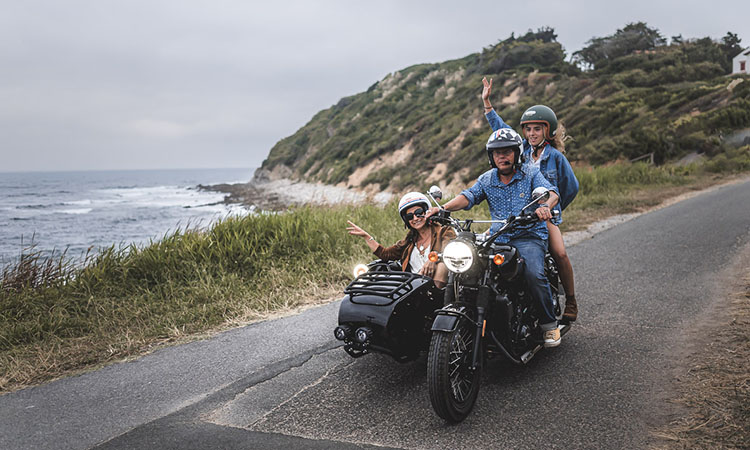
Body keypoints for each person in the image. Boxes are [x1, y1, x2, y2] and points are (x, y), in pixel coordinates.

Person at [427, 128, 563, 347]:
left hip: (527, 236)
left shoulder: (530, 174)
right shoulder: (487, 179)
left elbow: (551, 192)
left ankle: (549, 324)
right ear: (491, 156)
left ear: (516, 153)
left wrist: (544, 206)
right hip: (497, 237)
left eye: (507, 151)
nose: (502, 156)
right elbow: (468, 196)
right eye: (497, 152)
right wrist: (444, 208)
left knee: (534, 275)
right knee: (468, 267)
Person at [481, 77, 580, 324]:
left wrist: (551, 208)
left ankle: (570, 299)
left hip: (543, 216)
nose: (532, 133)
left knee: (559, 253)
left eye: (538, 129)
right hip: (515, 216)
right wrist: (487, 104)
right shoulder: (520, 149)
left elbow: (570, 187)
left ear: (548, 130)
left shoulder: (556, 157)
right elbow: (500, 130)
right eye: (528, 129)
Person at [347, 192, 455, 288]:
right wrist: (367, 236)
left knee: (442, 265)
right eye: (409, 216)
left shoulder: (444, 231)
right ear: (406, 220)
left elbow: (450, 248)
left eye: (418, 212)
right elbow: (385, 254)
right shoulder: (408, 242)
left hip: (439, 291)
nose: (415, 218)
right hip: (415, 289)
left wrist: (433, 258)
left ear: (427, 212)